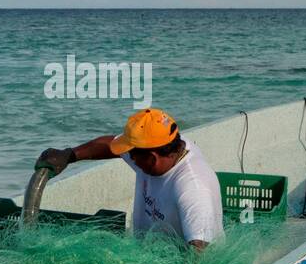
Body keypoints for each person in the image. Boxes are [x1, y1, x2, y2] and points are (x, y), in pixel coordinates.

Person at [36, 107, 223, 250]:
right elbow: (109, 145)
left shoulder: (193, 189)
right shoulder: (162, 152)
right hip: (148, 253)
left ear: (152, 158)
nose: (128, 158)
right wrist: (69, 155)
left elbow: (201, 254)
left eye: (131, 155)